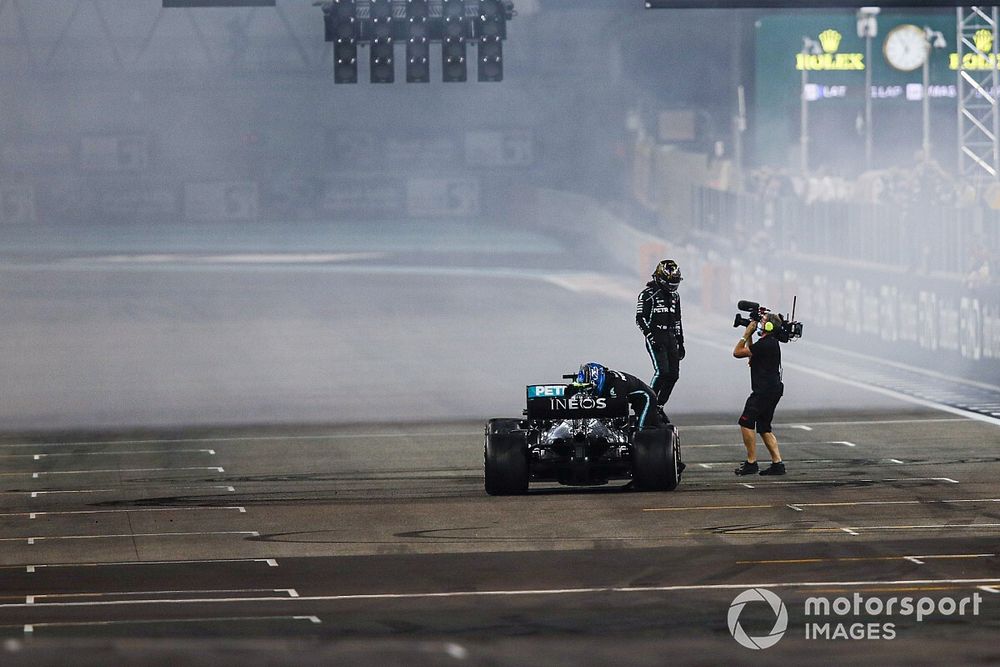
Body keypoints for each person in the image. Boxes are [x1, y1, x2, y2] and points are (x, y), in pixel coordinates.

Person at [732, 312, 786, 476]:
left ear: (769, 326)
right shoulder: (769, 343)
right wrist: (751, 337)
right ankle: (778, 464)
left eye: (762, 321)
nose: (760, 323)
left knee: (746, 421)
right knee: (763, 427)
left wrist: (746, 333)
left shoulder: (766, 344)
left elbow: (737, 352)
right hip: (773, 389)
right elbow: (753, 353)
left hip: (764, 391)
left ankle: (751, 462)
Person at [636, 259, 685, 411]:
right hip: (656, 335)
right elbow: (640, 318)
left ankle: (659, 405)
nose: (673, 286)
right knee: (662, 372)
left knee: (674, 375)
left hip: (670, 336)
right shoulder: (647, 294)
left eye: (675, 282)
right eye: (670, 282)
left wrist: (680, 342)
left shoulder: (675, 297)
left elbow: (678, 320)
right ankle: (647, 401)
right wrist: (650, 336)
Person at [574, 362, 663, 431]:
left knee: (642, 430)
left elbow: (619, 408)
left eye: (588, 388)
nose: (587, 391)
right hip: (631, 397)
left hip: (646, 398)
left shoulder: (616, 384)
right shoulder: (607, 379)